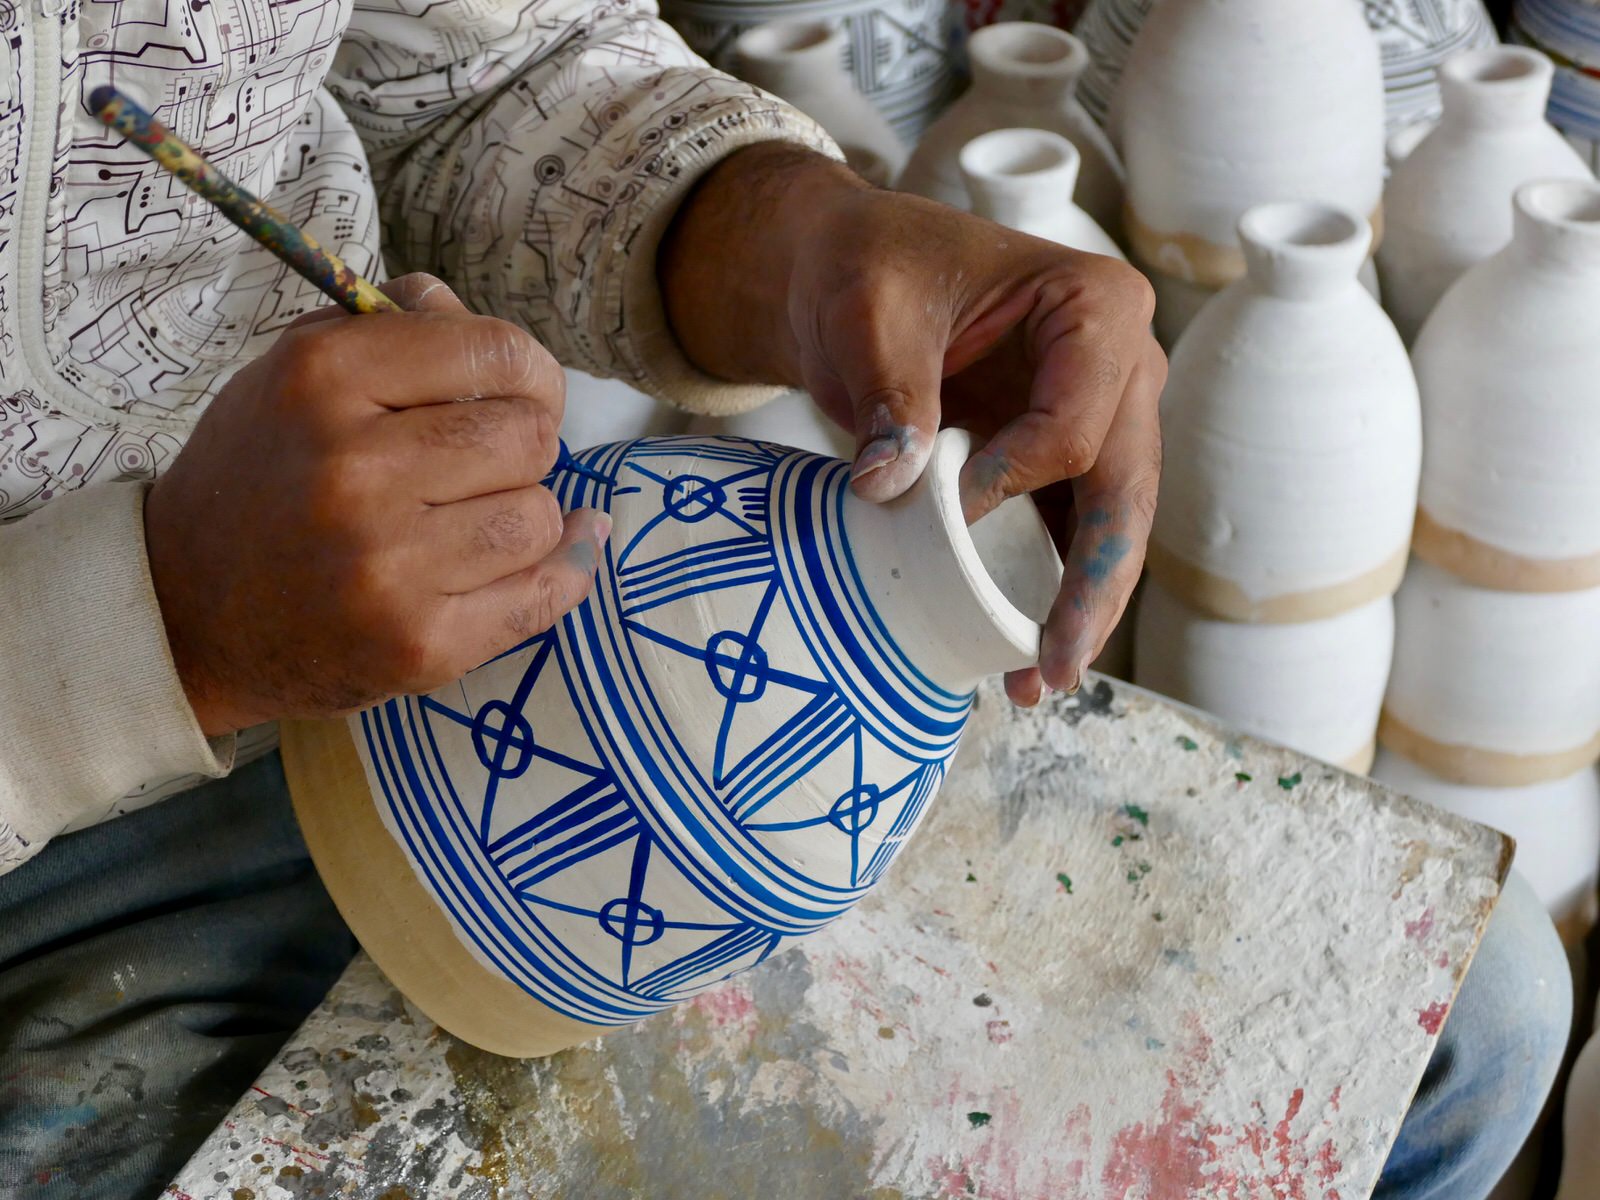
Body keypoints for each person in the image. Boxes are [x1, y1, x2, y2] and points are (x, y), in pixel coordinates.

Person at [0, 0, 1565, 1196]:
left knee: (1458, 1012)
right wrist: (159, 628)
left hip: (425, 633)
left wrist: (810, 242)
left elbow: (486, 78)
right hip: (53, 810)